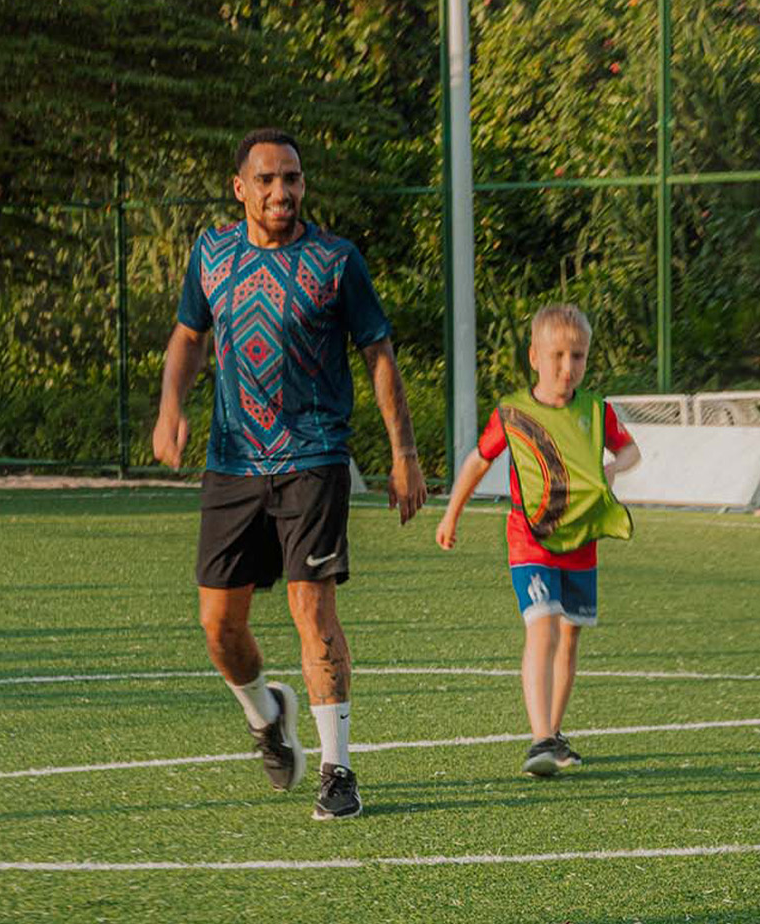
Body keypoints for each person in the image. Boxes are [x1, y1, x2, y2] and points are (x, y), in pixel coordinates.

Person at [153, 126, 427, 822]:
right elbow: (189, 335)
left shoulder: (336, 261)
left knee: (313, 608)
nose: (282, 192)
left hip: (314, 456)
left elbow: (379, 351)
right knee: (219, 627)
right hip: (232, 461)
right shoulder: (211, 254)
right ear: (240, 188)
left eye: (293, 179)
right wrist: (170, 409)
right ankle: (266, 713)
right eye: (268, 180)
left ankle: (338, 769)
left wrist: (404, 453)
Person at [432, 304, 640, 777]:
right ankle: (540, 738)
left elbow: (630, 450)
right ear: (534, 357)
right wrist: (452, 514)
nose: (569, 368)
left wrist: (613, 466)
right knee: (542, 627)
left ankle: (555, 733)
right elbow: (477, 462)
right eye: (558, 356)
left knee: (569, 638)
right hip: (530, 540)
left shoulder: (595, 410)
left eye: (579, 356)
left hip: (582, 543)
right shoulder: (515, 413)